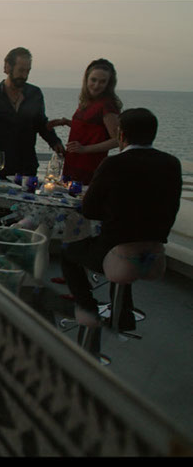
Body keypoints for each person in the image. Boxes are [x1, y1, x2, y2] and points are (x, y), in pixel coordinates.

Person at [59, 108, 181, 340]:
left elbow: (90, 210)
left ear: (121, 135)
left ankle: (88, 309)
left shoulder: (113, 164)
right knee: (126, 243)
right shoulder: (172, 163)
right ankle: (123, 314)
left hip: (115, 253)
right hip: (154, 253)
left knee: (69, 251)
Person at [0, 47, 64, 179]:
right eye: (21, 70)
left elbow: (41, 123)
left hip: (27, 166)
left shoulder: (34, 94)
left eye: (28, 71)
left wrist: (55, 143)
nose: (24, 75)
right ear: (7, 67)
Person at [47, 58, 122, 185]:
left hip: (89, 167)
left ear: (109, 84)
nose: (96, 85)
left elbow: (118, 139)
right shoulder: (88, 101)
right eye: (93, 80)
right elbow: (92, 128)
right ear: (86, 79)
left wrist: (84, 149)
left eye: (102, 82)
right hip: (73, 163)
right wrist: (66, 122)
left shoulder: (107, 105)